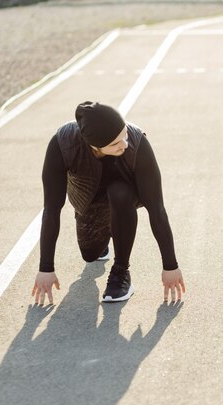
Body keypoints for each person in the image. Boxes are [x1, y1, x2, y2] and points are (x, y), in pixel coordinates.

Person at [32, 101, 185, 304]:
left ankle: (121, 271)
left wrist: (170, 265)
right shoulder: (63, 144)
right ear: (94, 145)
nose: (124, 144)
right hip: (88, 199)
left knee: (120, 193)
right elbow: (51, 209)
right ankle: (105, 231)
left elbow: (157, 209)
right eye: (115, 143)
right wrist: (46, 268)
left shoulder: (137, 142)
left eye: (124, 135)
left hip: (126, 194)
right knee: (90, 254)